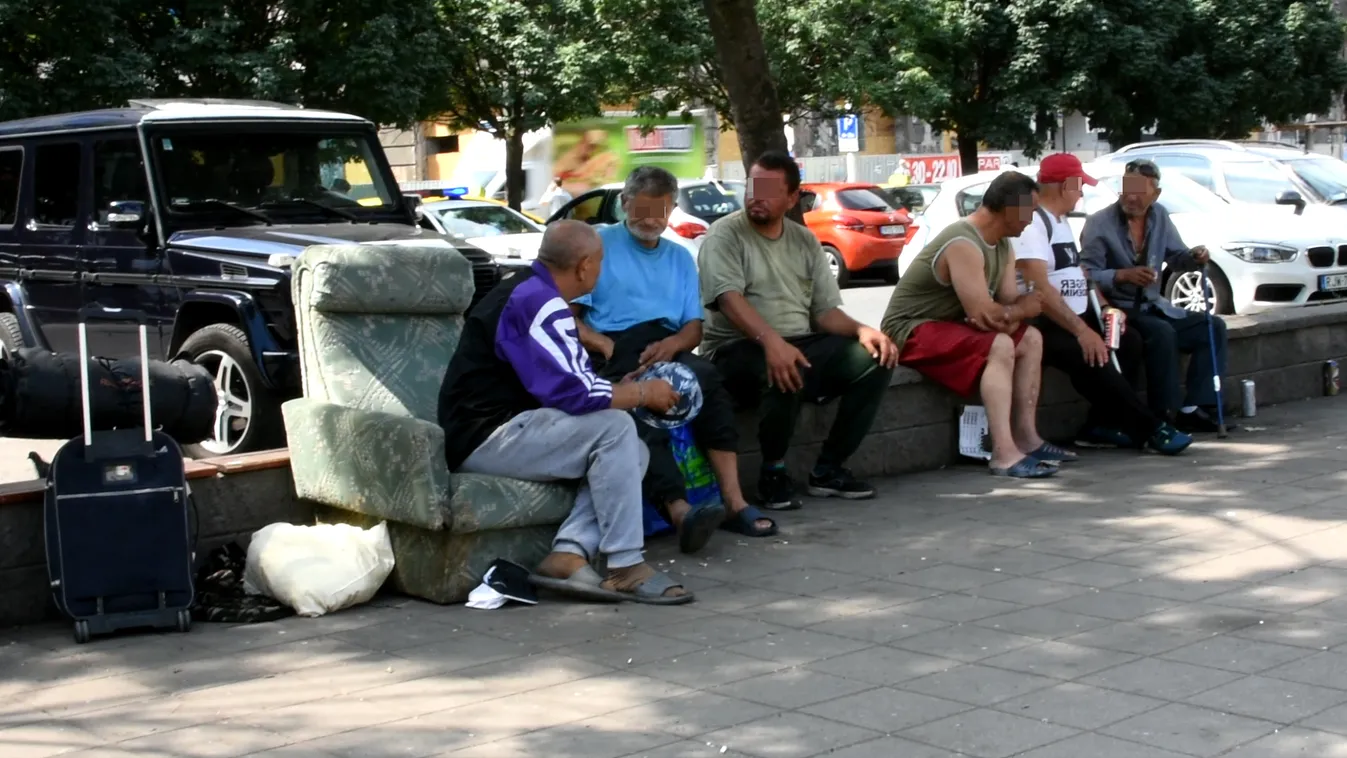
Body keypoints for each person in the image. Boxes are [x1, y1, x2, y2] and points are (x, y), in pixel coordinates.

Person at [437, 220, 693, 605]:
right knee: (617, 428)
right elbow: (578, 394)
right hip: (486, 435)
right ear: (585, 265)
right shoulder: (539, 303)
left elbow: (567, 381)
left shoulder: (532, 291)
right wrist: (643, 392)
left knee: (632, 450)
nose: (601, 270)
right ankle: (625, 566)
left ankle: (569, 553)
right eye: (601, 262)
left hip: (507, 427)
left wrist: (623, 387)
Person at [571, 166, 778, 551]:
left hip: (667, 344)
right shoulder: (599, 246)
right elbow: (570, 318)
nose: (651, 220)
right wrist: (602, 344)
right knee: (639, 403)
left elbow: (693, 328)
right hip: (615, 348)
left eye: (660, 211)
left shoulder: (681, 257)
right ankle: (679, 509)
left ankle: (734, 502)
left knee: (710, 382)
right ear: (624, 203)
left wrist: (671, 346)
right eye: (642, 209)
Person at [699, 150, 898, 510]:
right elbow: (728, 300)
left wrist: (862, 330)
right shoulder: (724, 234)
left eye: (769, 190)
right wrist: (772, 343)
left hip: (798, 342)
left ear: (792, 198)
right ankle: (773, 472)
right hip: (733, 349)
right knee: (786, 364)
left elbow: (824, 312)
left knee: (875, 358)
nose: (756, 196)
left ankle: (829, 468)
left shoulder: (804, 240)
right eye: (753, 186)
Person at [880, 171, 1062, 478]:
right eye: (1029, 211)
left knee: (1030, 338)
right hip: (909, 328)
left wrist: (1017, 309)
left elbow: (1007, 303)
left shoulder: (1003, 245)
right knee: (1000, 343)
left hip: (945, 326)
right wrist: (1021, 308)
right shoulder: (963, 242)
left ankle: (1028, 439)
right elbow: (986, 315)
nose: (1032, 220)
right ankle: (1004, 455)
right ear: (1008, 208)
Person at [1013, 154, 1192, 455]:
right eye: (1079, 185)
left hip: (1076, 312)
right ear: (1064, 186)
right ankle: (1150, 429)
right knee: (1092, 356)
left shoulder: (1060, 222)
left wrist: (1105, 307)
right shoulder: (1033, 224)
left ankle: (1103, 425)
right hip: (1044, 321)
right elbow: (1040, 290)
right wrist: (1083, 331)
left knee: (1128, 340)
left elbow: (1080, 274)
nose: (1082, 192)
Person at [1080, 159, 1230, 433]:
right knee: (1162, 333)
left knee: (1212, 326)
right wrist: (1122, 275)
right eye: (1127, 189)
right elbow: (1086, 273)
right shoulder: (1099, 223)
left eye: (1140, 192)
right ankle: (1164, 414)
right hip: (1119, 309)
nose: (1132, 197)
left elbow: (1177, 257)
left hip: (1154, 305)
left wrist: (1195, 257)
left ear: (1156, 194)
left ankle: (1196, 407)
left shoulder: (1160, 216)